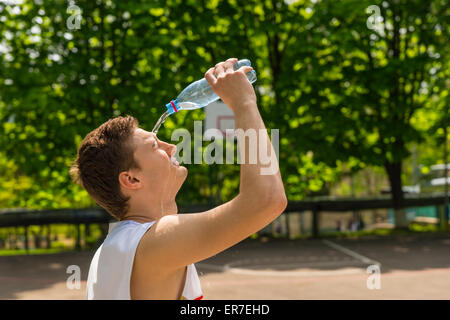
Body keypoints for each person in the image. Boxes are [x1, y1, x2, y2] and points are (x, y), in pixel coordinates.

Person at [70, 58, 287, 300]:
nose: (171, 146)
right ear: (131, 179)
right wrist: (244, 103)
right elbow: (266, 201)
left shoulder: (119, 247)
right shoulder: (152, 244)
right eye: (155, 145)